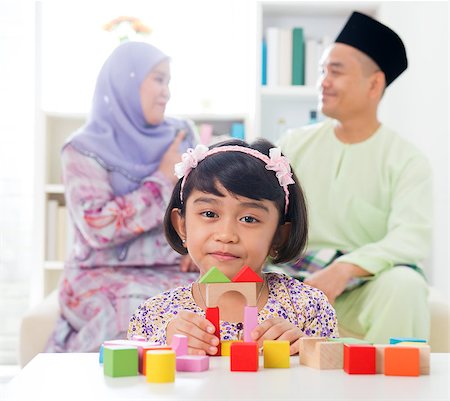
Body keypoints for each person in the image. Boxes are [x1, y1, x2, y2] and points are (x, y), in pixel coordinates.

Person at [276, 12, 432, 344]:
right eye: (322, 71)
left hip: (363, 284)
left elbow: (411, 237)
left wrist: (345, 268)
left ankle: (396, 392)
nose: (323, 81)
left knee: (406, 285)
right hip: (293, 277)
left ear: (374, 84)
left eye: (335, 71)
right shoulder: (293, 144)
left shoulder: (406, 160)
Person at [45, 41, 200, 352]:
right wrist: (161, 179)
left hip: (174, 270)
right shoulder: (81, 149)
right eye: (158, 79)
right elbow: (98, 227)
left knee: (217, 311)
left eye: (168, 81)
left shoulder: (181, 135)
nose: (166, 92)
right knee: (137, 314)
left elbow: (202, 202)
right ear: (125, 82)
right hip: (99, 274)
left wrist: (196, 247)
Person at [127, 139, 338, 355]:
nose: (226, 235)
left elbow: (336, 380)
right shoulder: (154, 314)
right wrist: (165, 345)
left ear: (278, 236)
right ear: (182, 226)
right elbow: (135, 383)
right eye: (209, 214)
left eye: (249, 219)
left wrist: (306, 350)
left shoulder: (308, 307)